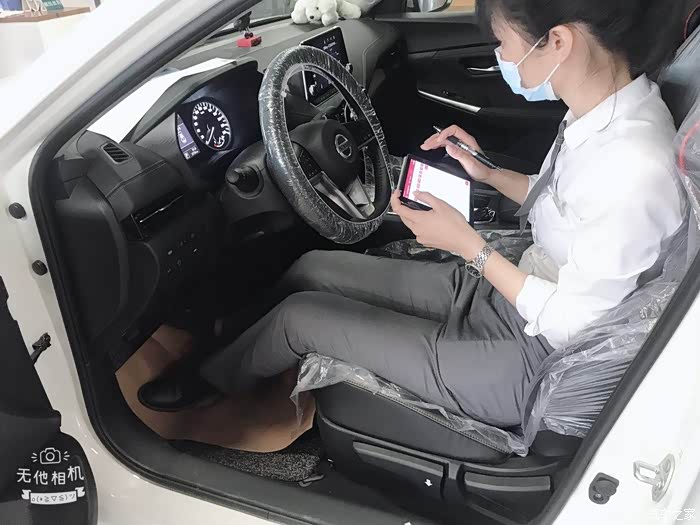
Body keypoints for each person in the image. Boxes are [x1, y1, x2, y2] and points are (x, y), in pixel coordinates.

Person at [140, 0, 687, 427]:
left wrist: (469, 247)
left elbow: (576, 324)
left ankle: (210, 385)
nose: (500, 55)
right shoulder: (605, 114)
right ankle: (231, 347)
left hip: (533, 359)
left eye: (502, 42)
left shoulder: (633, 169)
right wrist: (489, 174)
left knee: (299, 318)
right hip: (519, 290)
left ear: (558, 42)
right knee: (312, 267)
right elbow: (568, 206)